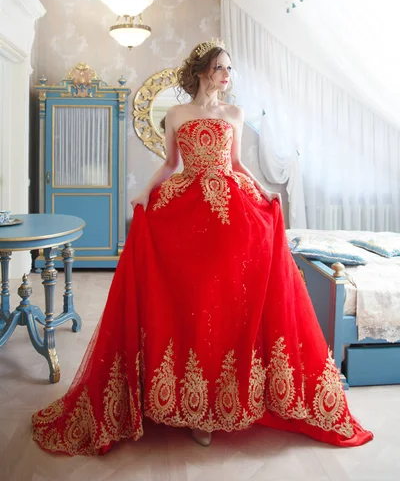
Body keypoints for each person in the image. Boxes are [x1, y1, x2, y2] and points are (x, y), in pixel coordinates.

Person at [32, 39, 373, 456]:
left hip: (233, 214)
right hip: (189, 212)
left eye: (230, 68)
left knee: (228, 303)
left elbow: (236, 164)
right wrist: (144, 193)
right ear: (201, 72)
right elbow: (172, 165)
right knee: (195, 303)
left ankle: (223, 403)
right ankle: (193, 408)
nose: (227, 76)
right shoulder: (176, 114)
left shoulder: (235, 113)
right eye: (220, 68)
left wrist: (265, 191)